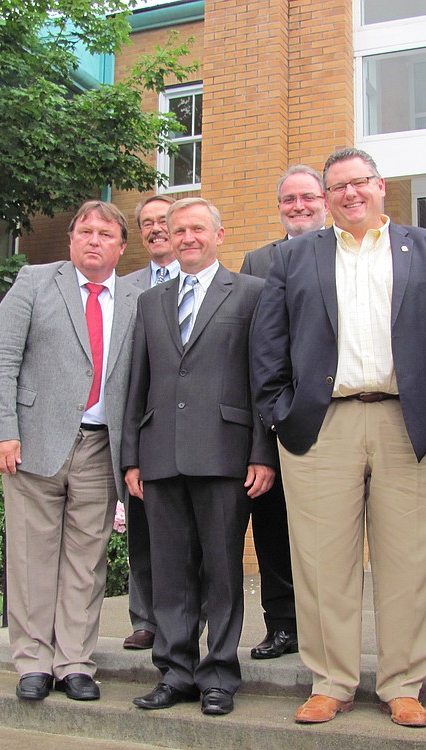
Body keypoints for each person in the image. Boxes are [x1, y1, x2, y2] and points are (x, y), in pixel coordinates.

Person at [252, 148, 426, 728]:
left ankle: (403, 683)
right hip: (323, 424)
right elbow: (267, 348)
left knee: (411, 559)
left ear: (381, 187)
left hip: (412, 425)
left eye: (360, 184)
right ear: (326, 198)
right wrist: (281, 414)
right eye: (337, 187)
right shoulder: (296, 258)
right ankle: (331, 681)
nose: (350, 195)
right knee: (322, 562)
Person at [122, 197, 278, 716]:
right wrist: (131, 458)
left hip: (226, 453)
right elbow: (136, 384)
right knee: (169, 571)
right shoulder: (152, 301)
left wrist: (263, 453)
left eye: (197, 229)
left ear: (218, 233)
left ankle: (218, 675)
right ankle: (175, 671)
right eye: (178, 230)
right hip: (160, 452)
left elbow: (263, 380)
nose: (187, 237)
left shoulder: (252, 293)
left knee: (222, 570)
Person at [0, 200, 138, 702]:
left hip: (100, 446)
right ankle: (32, 661)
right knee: (31, 556)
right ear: (71, 239)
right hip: (33, 444)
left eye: (105, 233)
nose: (94, 240)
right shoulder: (34, 281)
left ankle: (74, 662)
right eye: (85, 231)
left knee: (86, 561)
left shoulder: (138, 297)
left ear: (120, 246)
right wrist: (1, 430)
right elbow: (1, 356)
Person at [238, 165, 328, 660]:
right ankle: (284, 625)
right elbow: (253, 348)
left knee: (326, 530)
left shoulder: (345, 252)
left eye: (308, 197)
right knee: (272, 527)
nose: (298, 207)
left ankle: (323, 628)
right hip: (274, 416)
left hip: (331, 416)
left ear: (325, 201)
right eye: (289, 199)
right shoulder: (258, 260)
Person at [119, 195, 179, 651]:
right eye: (147, 223)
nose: (156, 229)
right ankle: (145, 618)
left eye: (164, 221)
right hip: (142, 425)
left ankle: (187, 616)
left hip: (195, 428)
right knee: (142, 530)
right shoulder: (125, 289)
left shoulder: (214, 279)